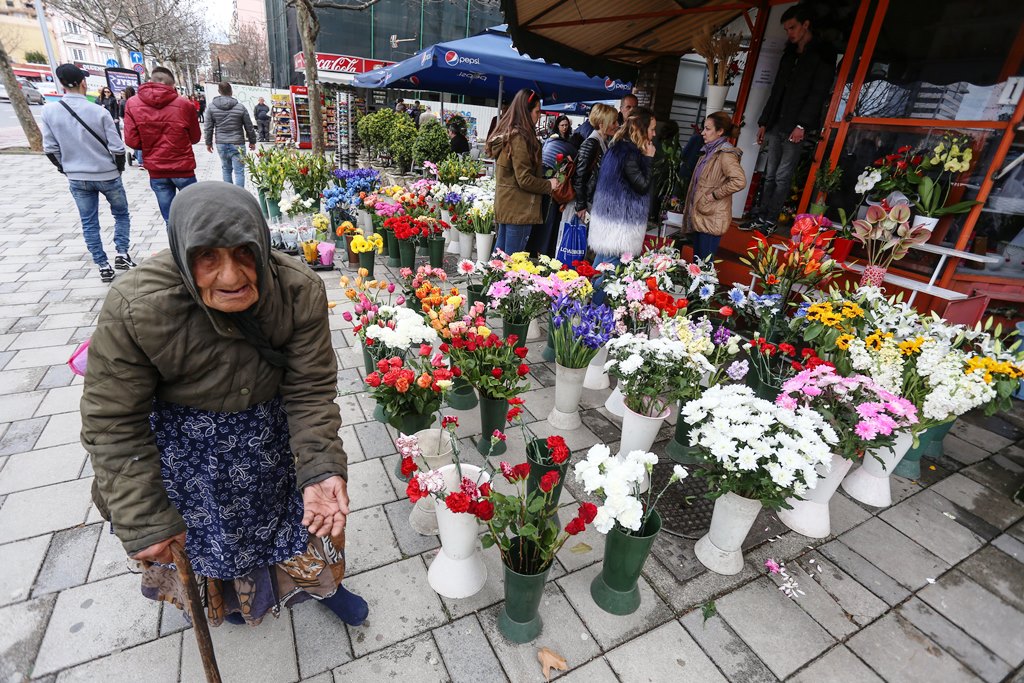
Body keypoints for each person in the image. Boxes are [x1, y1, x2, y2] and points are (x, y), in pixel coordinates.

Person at [80, 182, 369, 629]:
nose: (231, 277)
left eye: (244, 253)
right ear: (183, 254)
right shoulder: (136, 305)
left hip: (270, 437)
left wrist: (320, 467)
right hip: (189, 453)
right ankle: (233, 602)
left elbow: (310, 388)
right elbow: (113, 421)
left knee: (305, 517)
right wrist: (145, 518)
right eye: (207, 257)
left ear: (262, 245)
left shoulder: (298, 289)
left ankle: (321, 586)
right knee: (214, 537)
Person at [741, 4, 836, 235]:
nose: (789, 33)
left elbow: (818, 94)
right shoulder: (790, 55)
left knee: (783, 177)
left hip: (796, 126)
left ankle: (770, 220)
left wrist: (802, 125)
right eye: (786, 29)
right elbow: (777, 90)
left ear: (806, 24)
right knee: (769, 174)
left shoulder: (822, 55)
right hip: (777, 122)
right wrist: (764, 122)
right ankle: (760, 217)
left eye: (792, 27)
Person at [41, 64, 134, 283]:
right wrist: (118, 169)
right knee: (121, 214)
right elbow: (118, 148)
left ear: (62, 84)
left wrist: (65, 168)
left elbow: (50, 149)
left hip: (77, 176)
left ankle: (103, 266)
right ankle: (122, 253)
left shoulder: (49, 112)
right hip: (107, 174)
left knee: (89, 222)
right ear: (84, 83)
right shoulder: (99, 111)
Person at [485, 89, 558, 255]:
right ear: (526, 112)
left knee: (500, 262)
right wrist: (549, 184)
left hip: (509, 205)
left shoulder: (510, 135)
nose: (539, 116)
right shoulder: (519, 138)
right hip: (519, 208)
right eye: (537, 112)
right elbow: (524, 179)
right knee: (512, 263)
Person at [125, 67, 202, 223]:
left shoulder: (132, 104)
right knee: (195, 218)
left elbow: (132, 141)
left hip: (157, 169)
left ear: (151, 81)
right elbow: (195, 138)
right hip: (183, 167)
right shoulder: (184, 104)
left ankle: (174, 238)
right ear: (172, 85)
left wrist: (150, 144)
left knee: (170, 219)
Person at [588, 107, 657, 273]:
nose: (654, 134)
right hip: (621, 226)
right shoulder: (630, 153)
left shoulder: (618, 147)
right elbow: (642, 186)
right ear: (641, 128)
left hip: (609, 222)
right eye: (652, 129)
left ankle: (586, 291)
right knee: (610, 274)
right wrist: (649, 159)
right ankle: (593, 293)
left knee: (599, 268)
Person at [683, 112, 746, 263]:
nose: (703, 132)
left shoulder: (726, 154)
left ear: (720, 131)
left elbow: (739, 181)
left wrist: (714, 195)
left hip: (711, 217)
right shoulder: (708, 151)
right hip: (701, 215)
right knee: (697, 266)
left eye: (708, 129)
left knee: (704, 267)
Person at [531, 115, 578, 256]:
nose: (564, 128)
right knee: (548, 214)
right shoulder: (554, 141)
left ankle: (540, 249)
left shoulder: (558, 142)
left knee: (547, 214)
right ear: (557, 126)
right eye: (562, 125)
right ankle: (542, 249)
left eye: (566, 125)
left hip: (550, 178)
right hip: (550, 178)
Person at [205, 81, 257, 187]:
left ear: (219, 91)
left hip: (221, 143)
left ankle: (229, 195)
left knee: (226, 169)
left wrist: (208, 143)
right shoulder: (240, 107)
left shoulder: (211, 107)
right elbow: (249, 126)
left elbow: (208, 127)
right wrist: (252, 141)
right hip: (238, 143)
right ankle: (239, 194)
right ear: (231, 91)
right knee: (239, 172)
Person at [572, 103, 618, 220]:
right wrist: (581, 205)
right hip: (588, 204)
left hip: (595, 201)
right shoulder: (591, 143)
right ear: (602, 124)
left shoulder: (603, 142)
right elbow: (579, 176)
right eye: (613, 122)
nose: (617, 125)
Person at [120, 86, 143, 168]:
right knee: (140, 141)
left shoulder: (123, 102)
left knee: (134, 141)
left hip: (129, 123)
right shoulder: (138, 101)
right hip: (139, 122)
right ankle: (140, 160)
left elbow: (121, 114)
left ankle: (139, 158)